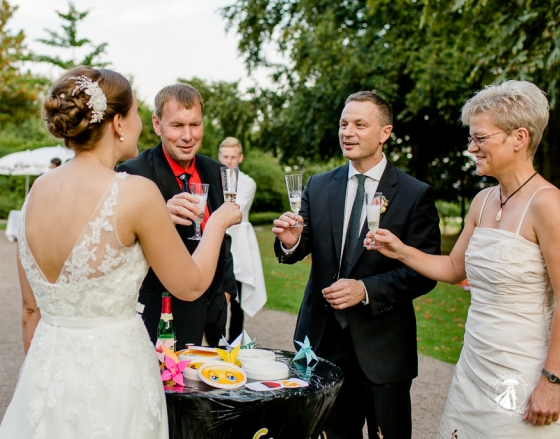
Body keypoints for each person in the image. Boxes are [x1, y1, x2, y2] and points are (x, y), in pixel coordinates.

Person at [0, 67, 241, 438]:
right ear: (118, 123)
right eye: (138, 113)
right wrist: (219, 222)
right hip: (115, 376)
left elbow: (30, 309)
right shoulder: (135, 192)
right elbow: (190, 286)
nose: (141, 124)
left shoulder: (35, 195)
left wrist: (43, 381)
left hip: (45, 371)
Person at [367, 81, 560, 436]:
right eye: (471, 138)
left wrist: (552, 381)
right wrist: (400, 250)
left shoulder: (548, 204)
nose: (471, 148)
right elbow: (455, 269)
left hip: (524, 370)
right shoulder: (482, 201)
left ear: (518, 138)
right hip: (474, 363)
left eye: (480, 139)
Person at [273, 91, 440, 439]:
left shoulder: (413, 194)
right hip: (322, 344)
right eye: (344, 124)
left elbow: (422, 272)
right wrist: (290, 242)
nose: (348, 132)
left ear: (385, 132)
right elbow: (300, 242)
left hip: (383, 351)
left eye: (360, 125)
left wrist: (365, 290)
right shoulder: (318, 186)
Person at [117, 83, 237, 349]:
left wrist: (227, 289)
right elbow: (117, 247)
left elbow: (222, 238)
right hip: (161, 314)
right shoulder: (132, 173)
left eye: (195, 124)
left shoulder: (217, 171)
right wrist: (157, 217)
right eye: (177, 126)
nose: (188, 136)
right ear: (157, 125)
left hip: (213, 312)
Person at [217, 136, 267, 339]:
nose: (229, 161)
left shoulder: (248, 183)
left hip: (239, 244)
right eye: (225, 156)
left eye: (233, 157)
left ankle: (234, 341)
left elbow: (237, 209)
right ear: (219, 156)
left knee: (237, 296)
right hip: (217, 240)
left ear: (240, 158)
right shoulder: (212, 178)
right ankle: (215, 339)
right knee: (218, 294)